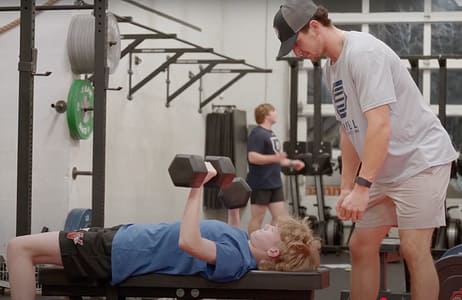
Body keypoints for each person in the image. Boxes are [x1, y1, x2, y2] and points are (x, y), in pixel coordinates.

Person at [273, 1, 458, 299]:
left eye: (296, 43)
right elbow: (349, 130)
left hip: (420, 161)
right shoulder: (331, 69)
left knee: (413, 249)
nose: (297, 52)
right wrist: (347, 186)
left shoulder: (363, 53)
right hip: (385, 167)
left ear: (315, 27)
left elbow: (379, 126)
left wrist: (363, 186)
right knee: (360, 246)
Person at [6, 162, 320, 300]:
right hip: (122, 241)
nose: (265, 225)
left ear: (274, 252)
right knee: (32, 253)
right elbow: (229, 234)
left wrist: (196, 189)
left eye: (271, 230)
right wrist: (233, 207)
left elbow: (189, 241)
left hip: (120, 251)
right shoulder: (241, 248)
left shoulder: (236, 259)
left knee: (19, 248)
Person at [246, 103, 305, 234]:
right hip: (261, 183)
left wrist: (292, 162)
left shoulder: (270, 133)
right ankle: (251, 247)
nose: (276, 113)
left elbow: (277, 159)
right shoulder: (257, 134)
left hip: (274, 182)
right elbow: (252, 157)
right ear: (266, 115)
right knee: (257, 219)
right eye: (273, 111)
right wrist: (275, 158)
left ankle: (269, 243)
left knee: (280, 218)